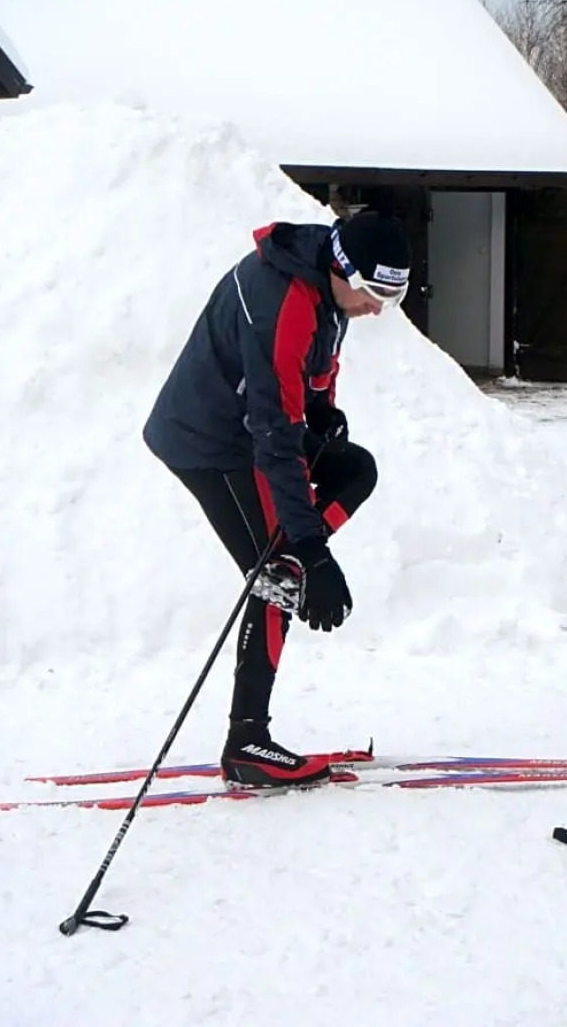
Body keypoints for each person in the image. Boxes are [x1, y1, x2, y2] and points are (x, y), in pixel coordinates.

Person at [143, 209, 411, 787]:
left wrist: (327, 415)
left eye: (393, 295)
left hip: (250, 429)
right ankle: (248, 744)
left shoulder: (328, 290)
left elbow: (314, 377)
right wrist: (312, 554)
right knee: (283, 570)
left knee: (355, 469)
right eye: (372, 292)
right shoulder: (281, 307)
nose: (377, 307)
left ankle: (291, 554)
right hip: (210, 441)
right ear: (342, 268)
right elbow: (275, 441)